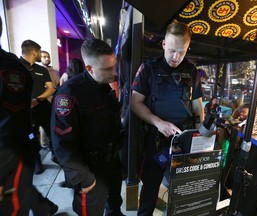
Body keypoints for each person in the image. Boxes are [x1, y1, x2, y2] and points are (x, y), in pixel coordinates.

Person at [130, 22, 204, 215]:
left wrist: (200, 136)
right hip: (155, 141)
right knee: (150, 191)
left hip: (184, 140)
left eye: (182, 52)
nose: (176, 57)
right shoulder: (149, 68)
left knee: (184, 191)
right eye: (172, 50)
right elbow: (135, 103)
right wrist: (158, 122)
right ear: (163, 44)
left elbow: (197, 106)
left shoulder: (191, 70)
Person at [51, 39, 125, 216]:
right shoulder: (69, 94)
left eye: (115, 66)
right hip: (90, 169)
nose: (114, 73)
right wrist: (83, 177)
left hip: (111, 162)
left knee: (114, 205)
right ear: (89, 68)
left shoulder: (103, 86)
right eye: (107, 69)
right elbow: (62, 144)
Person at [0, 16, 58, 216]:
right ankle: (44, 208)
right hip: (23, 133)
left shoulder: (10, 67)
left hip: (19, 140)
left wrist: (38, 100)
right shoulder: (16, 65)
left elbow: (9, 128)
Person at [19, 40, 56, 174]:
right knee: (31, 137)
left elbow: (51, 88)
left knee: (53, 133)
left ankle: (55, 155)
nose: (41, 55)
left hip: (44, 108)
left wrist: (37, 100)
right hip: (26, 112)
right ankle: (36, 162)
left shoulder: (41, 69)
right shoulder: (16, 68)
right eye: (40, 52)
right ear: (34, 52)